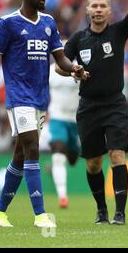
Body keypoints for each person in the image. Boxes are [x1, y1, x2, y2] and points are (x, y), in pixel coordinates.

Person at [0, 0, 88, 228]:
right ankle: (41, 215)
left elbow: (60, 59)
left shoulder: (48, 23)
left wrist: (74, 68)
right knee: (32, 147)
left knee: (21, 155)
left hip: (41, 99)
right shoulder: (8, 23)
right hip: (18, 97)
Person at [57, 0, 128, 225]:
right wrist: (73, 71)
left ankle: (120, 213)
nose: (98, 9)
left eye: (102, 6)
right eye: (94, 6)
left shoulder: (118, 32)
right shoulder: (78, 39)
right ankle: (101, 209)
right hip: (88, 107)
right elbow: (59, 65)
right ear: (87, 10)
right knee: (93, 164)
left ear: (109, 11)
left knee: (117, 154)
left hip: (114, 105)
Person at [48, 62, 80, 208]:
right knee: (58, 151)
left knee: (72, 159)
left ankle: (55, 166)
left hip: (76, 119)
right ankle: (63, 196)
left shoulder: (80, 68)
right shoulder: (51, 70)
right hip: (57, 116)